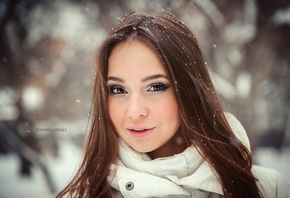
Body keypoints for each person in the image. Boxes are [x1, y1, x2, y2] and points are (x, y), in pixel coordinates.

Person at [56, 11, 290, 198]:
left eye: (156, 87)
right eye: (118, 90)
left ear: (190, 90)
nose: (135, 111)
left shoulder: (269, 189)